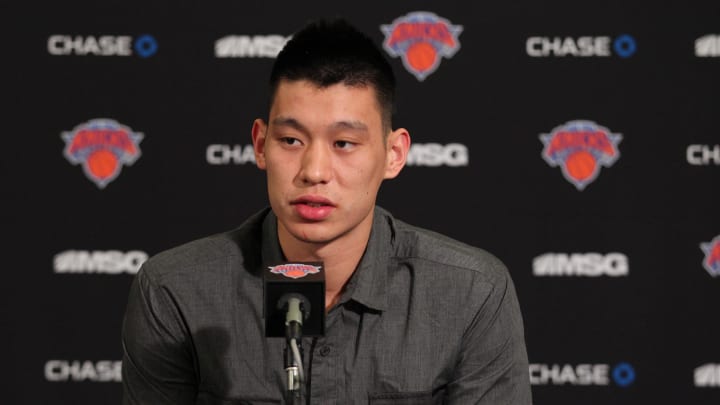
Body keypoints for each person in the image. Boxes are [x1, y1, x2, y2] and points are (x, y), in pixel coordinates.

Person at [121, 17, 532, 404]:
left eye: (344, 144)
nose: (314, 172)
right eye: (291, 140)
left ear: (393, 154)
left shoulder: (472, 292)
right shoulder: (174, 291)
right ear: (260, 144)